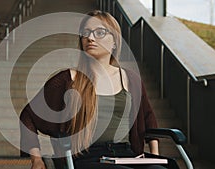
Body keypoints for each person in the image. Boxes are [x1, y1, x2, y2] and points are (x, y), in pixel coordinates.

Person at [20, 10, 168, 169]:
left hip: (126, 154)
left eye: (99, 32)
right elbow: (28, 115)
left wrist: (155, 157)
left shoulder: (130, 79)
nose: (90, 38)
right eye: (86, 33)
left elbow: (148, 117)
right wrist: (36, 159)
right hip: (88, 157)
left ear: (115, 41)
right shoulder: (69, 79)